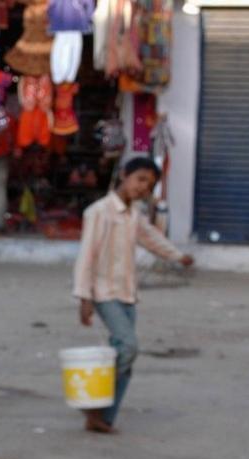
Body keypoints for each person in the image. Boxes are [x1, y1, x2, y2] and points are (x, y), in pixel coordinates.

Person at [72, 156, 194, 433]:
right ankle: (94, 402)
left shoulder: (134, 215)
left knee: (124, 358)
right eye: (139, 179)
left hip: (127, 293)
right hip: (103, 292)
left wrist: (178, 256)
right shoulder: (99, 211)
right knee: (128, 347)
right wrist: (84, 297)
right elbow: (86, 256)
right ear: (124, 175)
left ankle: (103, 418)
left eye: (148, 185)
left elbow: (151, 238)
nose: (142, 188)